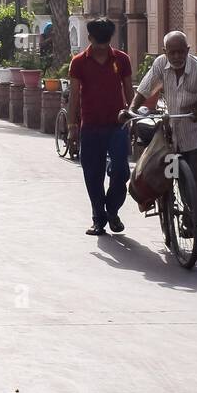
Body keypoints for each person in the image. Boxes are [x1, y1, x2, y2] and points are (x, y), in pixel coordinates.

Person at [130, 31, 197, 230]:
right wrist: (131, 109)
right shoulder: (160, 65)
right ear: (165, 52)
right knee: (176, 170)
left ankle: (194, 217)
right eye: (172, 52)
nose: (176, 57)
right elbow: (145, 88)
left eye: (181, 52)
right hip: (179, 125)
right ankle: (192, 205)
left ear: (188, 50)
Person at [67, 18, 134, 237]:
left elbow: (129, 92)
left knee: (122, 170)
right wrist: (71, 125)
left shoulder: (122, 60)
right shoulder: (78, 62)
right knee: (92, 174)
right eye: (99, 42)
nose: (103, 47)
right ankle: (99, 218)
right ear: (90, 39)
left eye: (106, 42)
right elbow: (74, 96)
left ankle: (112, 210)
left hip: (117, 125)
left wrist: (132, 117)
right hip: (91, 126)